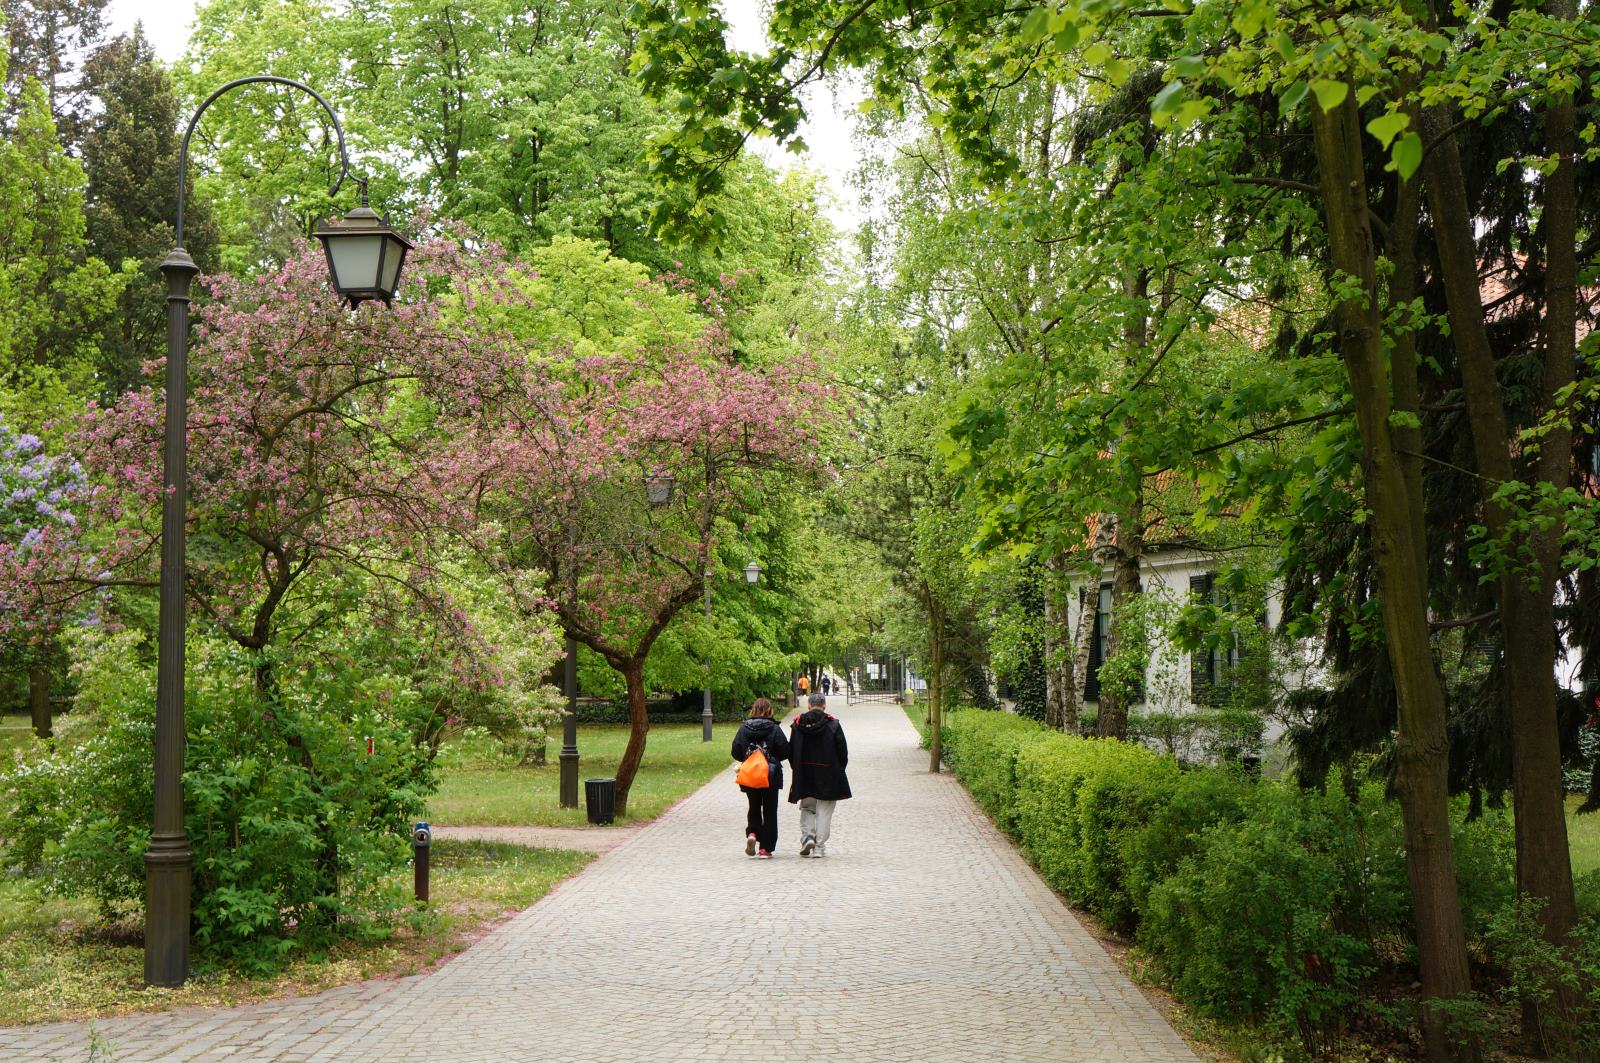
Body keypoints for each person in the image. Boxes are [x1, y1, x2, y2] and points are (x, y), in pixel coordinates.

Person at [788, 692, 851, 857]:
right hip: (828, 773)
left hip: (805, 773)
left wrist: (797, 770)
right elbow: (842, 752)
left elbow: (791, 751)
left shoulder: (797, 725)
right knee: (824, 811)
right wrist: (838, 770)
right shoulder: (833, 725)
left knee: (808, 807)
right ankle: (820, 847)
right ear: (824, 706)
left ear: (808, 706)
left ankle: (808, 836)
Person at [731, 698, 790, 858]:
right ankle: (766, 848)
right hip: (770, 774)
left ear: (753, 710)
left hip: (751, 774)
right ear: (770, 710)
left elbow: (736, 751)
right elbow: (785, 751)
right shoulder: (775, 729)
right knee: (770, 810)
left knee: (754, 805)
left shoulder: (744, 728)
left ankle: (753, 833)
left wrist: (747, 756)